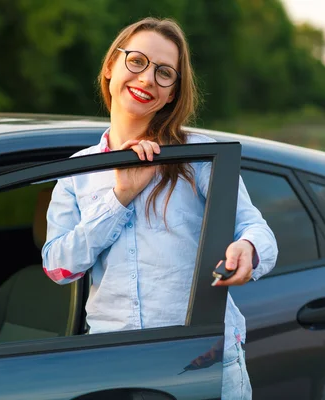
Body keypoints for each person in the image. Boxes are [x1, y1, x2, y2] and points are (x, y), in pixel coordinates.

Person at [41, 17, 278, 400]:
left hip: (202, 359)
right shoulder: (77, 170)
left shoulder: (199, 155)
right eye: (137, 61)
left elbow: (256, 229)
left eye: (164, 73)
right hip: (115, 364)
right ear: (110, 67)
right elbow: (58, 267)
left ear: (171, 94)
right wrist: (119, 198)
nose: (148, 79)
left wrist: (248, 249)